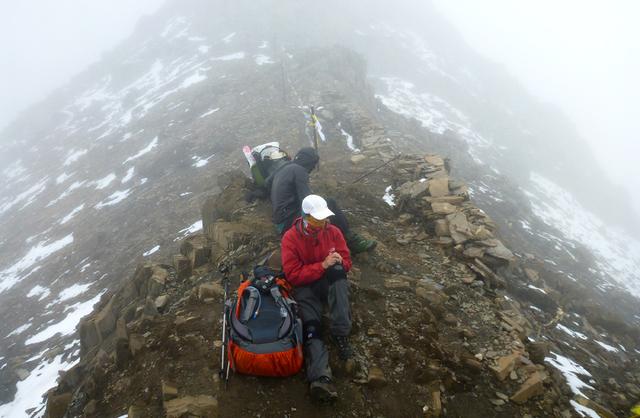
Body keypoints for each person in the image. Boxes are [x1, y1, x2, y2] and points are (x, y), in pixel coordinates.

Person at [281, 194, 353, 402]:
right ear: (305, 217)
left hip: (326, 281)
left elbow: (347, 260)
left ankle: (341, 333)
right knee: (312, 326)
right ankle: (321, 377)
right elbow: (293, 275)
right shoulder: (290, 238)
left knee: (338, 271)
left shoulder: (333, 231)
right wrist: (321, 265)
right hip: (304, 288)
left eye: (323, 219)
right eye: (316, 220)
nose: (321, 224)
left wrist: (340, 262)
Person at [266, 147, 376, 254]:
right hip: (289, 222)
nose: (313, 168)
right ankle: (352, 240)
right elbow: (307, 199)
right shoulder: (299, 170)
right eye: (313, 164)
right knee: (330, 203)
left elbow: (268, 185)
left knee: (323, 206)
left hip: (280, 222)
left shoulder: (284, 169)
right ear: (308, 162)